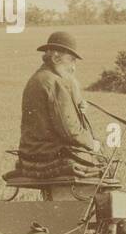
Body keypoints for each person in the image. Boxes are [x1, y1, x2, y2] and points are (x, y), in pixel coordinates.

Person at [12, 31, 104, 197]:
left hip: (33, 151)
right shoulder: (54, 82)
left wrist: (77, 105)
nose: (73, 67)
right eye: (71, 60)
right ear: (55, 58)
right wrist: (93, 144)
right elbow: (70, 130)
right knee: (105, 167)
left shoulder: (40, 78)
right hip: (47, 153)